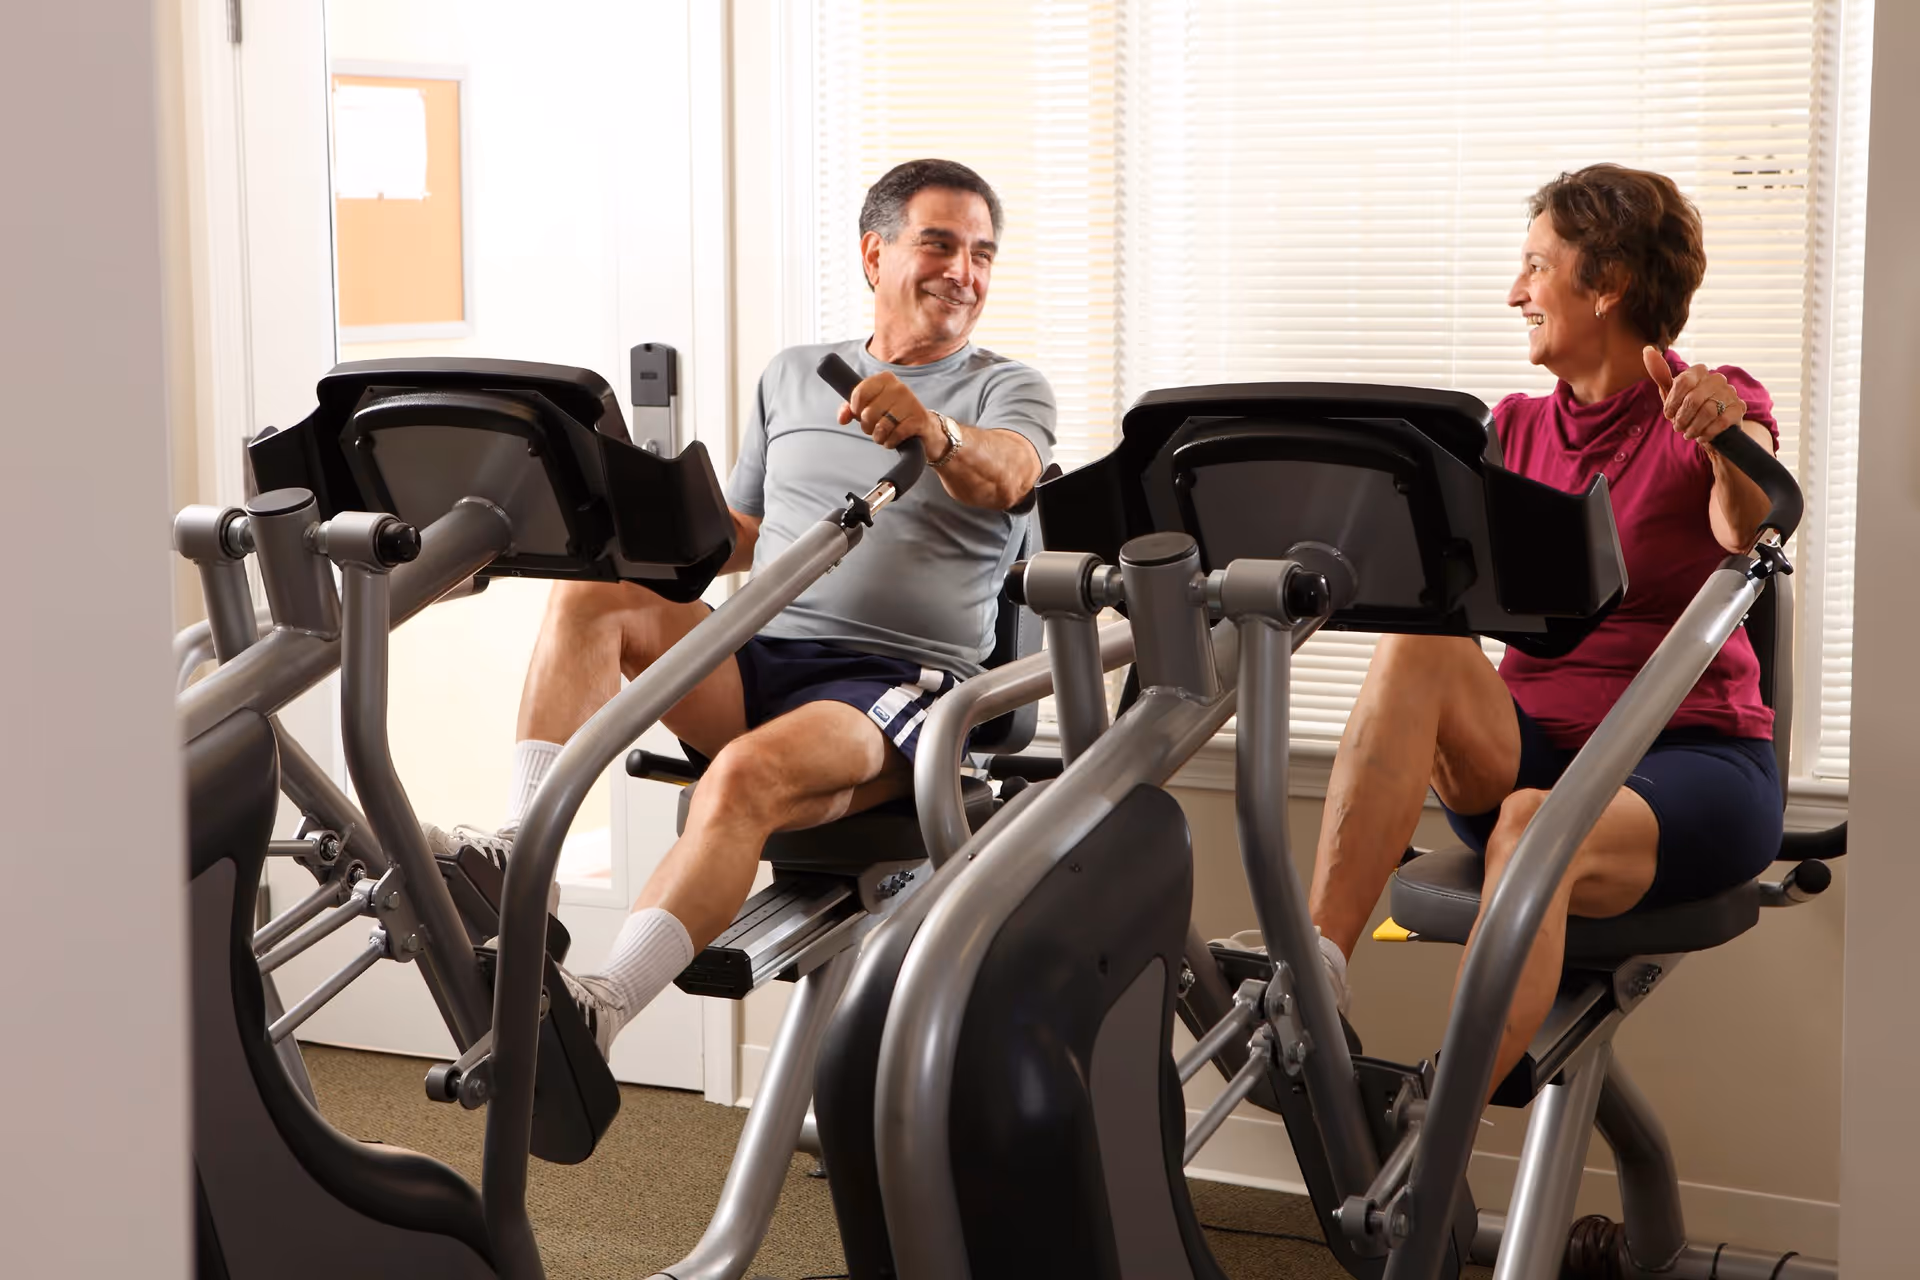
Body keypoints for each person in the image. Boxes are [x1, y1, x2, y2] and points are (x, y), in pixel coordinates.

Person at [429, 158, 1054, 1053]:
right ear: (876, 254)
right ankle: (518, 859)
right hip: (755, 657)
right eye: (941, 244)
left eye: (982, 254)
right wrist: (601, 522)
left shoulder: (1007, 389)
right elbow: (745, 531)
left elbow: (1009, 473)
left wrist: (934, 429)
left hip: (892, 689)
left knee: (739, 778)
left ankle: (599, 1010)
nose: (964, 271)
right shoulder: (795, 375)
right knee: (593, 594)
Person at [1305, 164, 1784, 1092]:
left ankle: (1435, 1126)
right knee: (1422, 637)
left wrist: (1724, 440)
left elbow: (1749, 525)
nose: (1514, 292)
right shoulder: (1510, 431)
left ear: (1605, 285)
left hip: (1689, 764)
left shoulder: (1711, 400)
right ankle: (1316, 974)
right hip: (1527, 748)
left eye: (1536, 267)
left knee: (1532, 825)